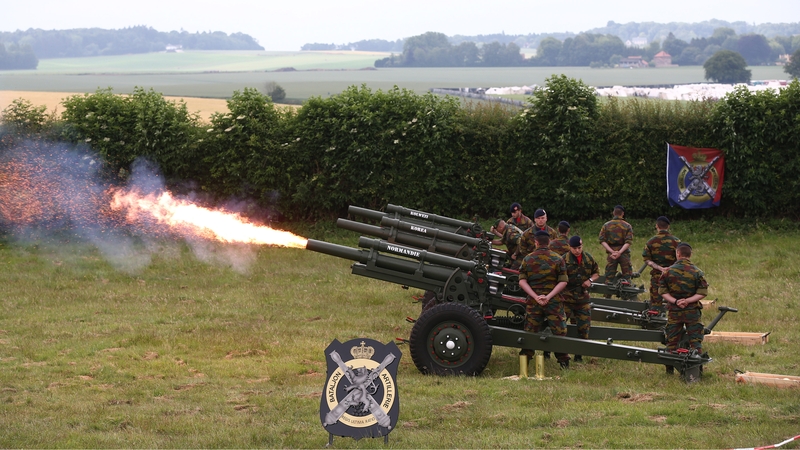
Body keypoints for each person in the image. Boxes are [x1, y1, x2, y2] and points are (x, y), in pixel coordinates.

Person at [518, 230, 570, 369]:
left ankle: (525, 364)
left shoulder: (527, 259)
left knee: (530, 332)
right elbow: (563, 282)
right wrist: (548, 296)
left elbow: (522, 282)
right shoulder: (558, 259)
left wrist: (536, 297)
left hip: (534, 303)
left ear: (536, 242)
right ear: (549, 243)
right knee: (559, 332)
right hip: (553, 302)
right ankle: (564, 363)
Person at [659, 242, 709, 374]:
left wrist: (676, 301)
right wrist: (687, 301)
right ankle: (698, 370)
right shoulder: (697, 272)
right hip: (692, 312)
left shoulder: (667, 271)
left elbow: (662, 292)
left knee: (671, 341)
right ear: (690, 255)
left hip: (674, 312)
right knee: (695, 341)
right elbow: (702, 292)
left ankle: (669, 371)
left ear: (678, 254)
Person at [561, 236, 599, 363]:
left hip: (582, 298)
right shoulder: (563, 260)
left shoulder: (588, 258)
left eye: (579, 248)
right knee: (559, 327)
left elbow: (596, 273)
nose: (577, 250)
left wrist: (590, 280)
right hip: (566, 298)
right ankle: (551, 352)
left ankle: (579, 355)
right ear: (569, 247)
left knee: (584, 327)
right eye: (574, 248)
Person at [642, 216, 681, 312]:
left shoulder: (650, 241)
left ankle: (656, 320)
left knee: (655, 302)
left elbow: (647, 260)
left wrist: (660, 268)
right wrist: (670, 268)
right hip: (673, 275)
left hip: (657, 276)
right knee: (674, 301)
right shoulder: (676, 241)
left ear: (657, 226)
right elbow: (681, 258)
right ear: (668, 226)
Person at [598, 204, 634, 282]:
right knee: (627, 278)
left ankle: (607, 293)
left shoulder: (606, 225)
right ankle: (626, 293)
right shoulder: (627, 226)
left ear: (613, 213)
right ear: (623, 213)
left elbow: (602, 240)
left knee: (608, 278)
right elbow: (629, 241)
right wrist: (620, 252)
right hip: (624, 253)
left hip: (612, 254)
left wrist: (612, 252)